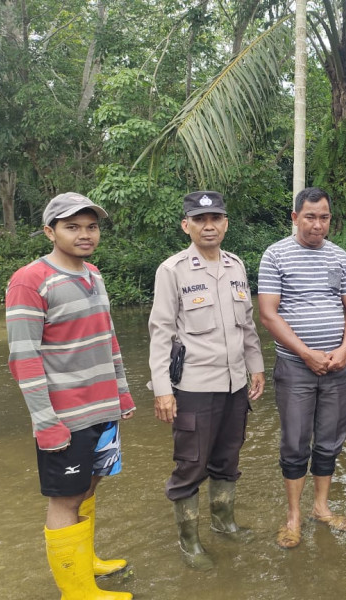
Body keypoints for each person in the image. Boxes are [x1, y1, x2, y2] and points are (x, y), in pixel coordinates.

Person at [6, 192, 135, 600]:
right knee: (64, 500)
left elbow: (108, 338)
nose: (85, 234)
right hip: (65, 415)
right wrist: (46, 423)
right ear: (50, 231)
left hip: (103, 408)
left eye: (91, 226)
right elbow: (23, 358)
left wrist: (123, 393)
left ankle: (86, 563)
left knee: (90, 486)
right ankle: (76, 590)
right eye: (72, 226)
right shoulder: (30, 280)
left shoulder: (93, 274)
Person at [148, 191, 265, 570]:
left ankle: (224, 521)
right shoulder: (172, 270)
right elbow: (161, 332)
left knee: (227, 458)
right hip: (194, 386)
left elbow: (246, 324)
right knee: (190, 464)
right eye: (200, 219)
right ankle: (189, 542)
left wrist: (257, 366)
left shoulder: (236, 265)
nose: (209, 225)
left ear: (226, 223)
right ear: (187, 225)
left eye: (215, 218)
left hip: (234, 386)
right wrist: (163, 390)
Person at [258, 187, 346, 549]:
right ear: (295, 217)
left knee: (330, 439)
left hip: (336, 365)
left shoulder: (339, 256)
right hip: (295, 368)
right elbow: (269, 314)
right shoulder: (276, 256)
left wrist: (345, 349)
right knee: (295, 441)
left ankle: (320, 507)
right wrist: (306, 353)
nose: (318, 224)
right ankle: (293, 517)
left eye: (324, 217)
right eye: (310, 217)